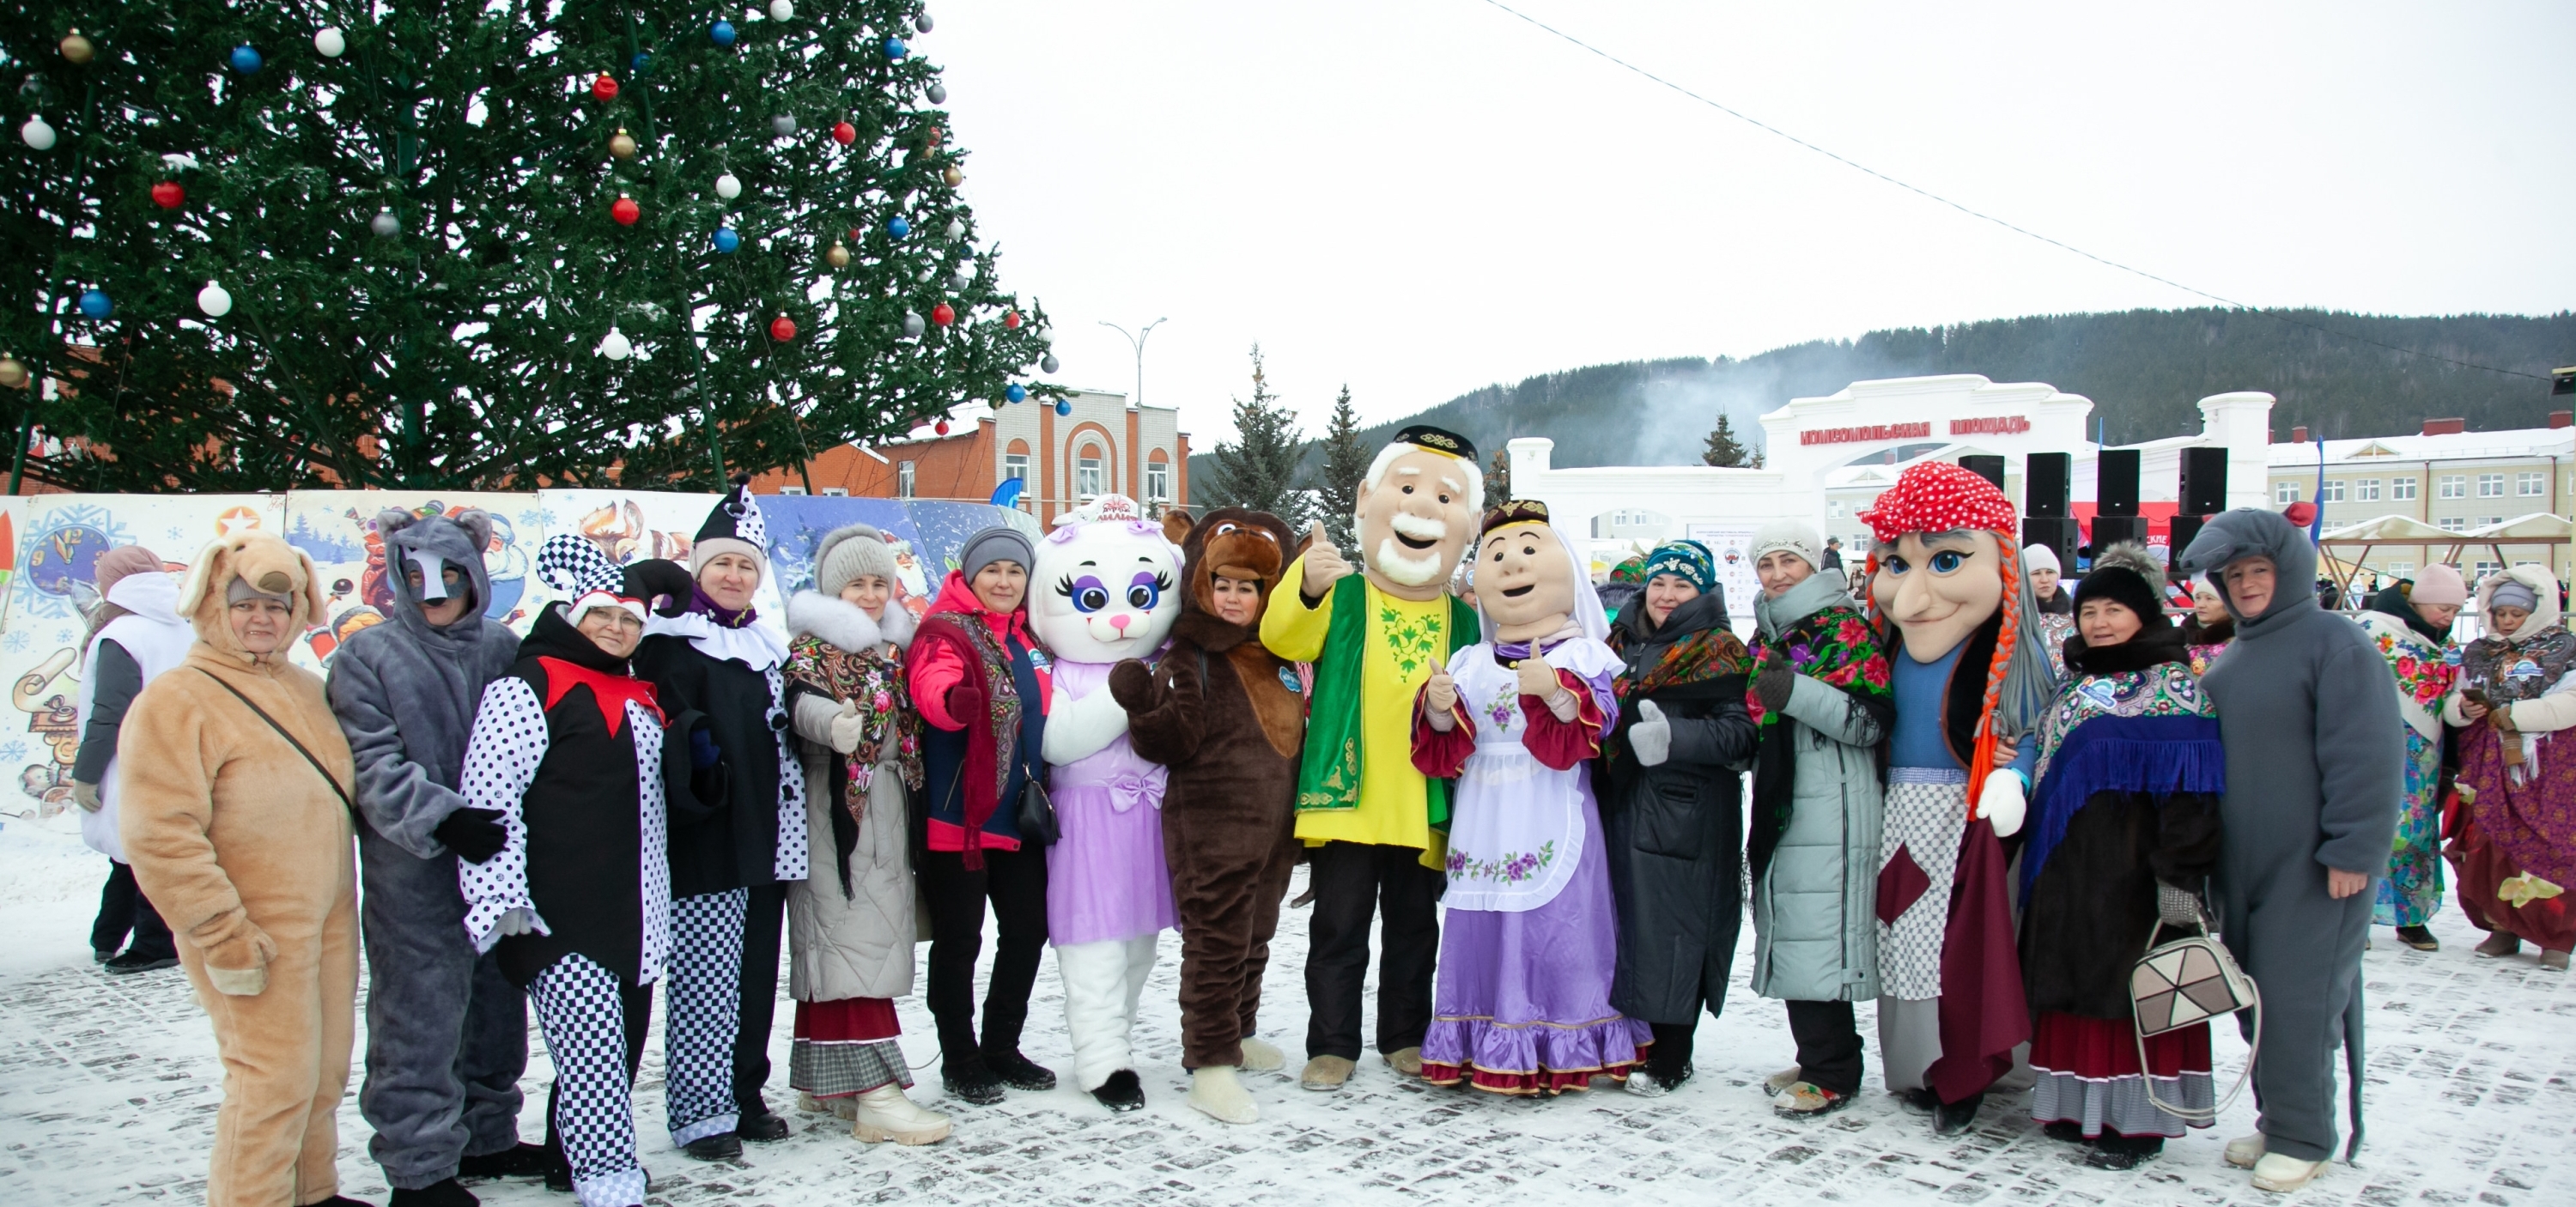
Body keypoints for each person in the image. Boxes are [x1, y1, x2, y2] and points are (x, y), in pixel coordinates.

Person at [121, 531, 369, 1207]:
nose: (262, 617)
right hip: (248, 924)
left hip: (326, 918)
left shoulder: (308, 689)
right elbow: (159, 833)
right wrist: (219, 928)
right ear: (209, 604)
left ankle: (313, 1192)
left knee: (322, 1073)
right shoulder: (179, 699)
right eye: (244, 602)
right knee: (271, 1080)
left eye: (278, 604)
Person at [2179, 506, 2403, 1192]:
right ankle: (2280, 1118)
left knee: (2298, 1001)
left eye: (2259, 570)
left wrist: (2353, 852)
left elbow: (2366, 756)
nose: (2246, 584)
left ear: (2291, 570)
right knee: (2257, 1001)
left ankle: (2306, 1135)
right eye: (2234, 574)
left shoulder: (2335, 644)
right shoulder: (2237, 655)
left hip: (2314, 867)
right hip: (2243, 868)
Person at [328, 510, 542, 1207]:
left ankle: (487, 1134)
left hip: (500, 865)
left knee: (496, 1004)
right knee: (418, 1015)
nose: (436, 592)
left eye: (451, 575)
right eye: (418, 578)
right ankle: (418, 1168)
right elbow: (370, 761)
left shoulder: (502, 648)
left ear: (475, 575)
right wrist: (441, 818)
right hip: (413, 875)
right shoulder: (368, 657)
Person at [1260, 425, 1483, 1091]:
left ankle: (1405, 1036)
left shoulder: (1464, 618)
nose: (1422, 508)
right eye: (1408, 488)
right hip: (1348, 800)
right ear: (1367, 498)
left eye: (1444, 497)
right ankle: (1332, 1044)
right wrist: (1306, 588)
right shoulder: (1346, 592)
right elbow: (1283, 638)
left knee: (1416, 931)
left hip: (1423, 802)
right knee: (1339, 929)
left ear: (1466, 524)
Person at [456, 537, 670, 1207]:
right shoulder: (529, 687)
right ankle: (609, 1183)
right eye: (603, 616)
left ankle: (569, 1159)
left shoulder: (638, 692)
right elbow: (492, 797)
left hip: (633, 909)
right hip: (558, 908)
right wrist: (501, 898)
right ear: (571, 616)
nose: (616, 629)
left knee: (623, 1048)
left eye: (630, 621)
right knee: (593, 1057)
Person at [1411, 500, 1648, 1093]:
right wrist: (1439, 709)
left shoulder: (1582, 655)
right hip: (1484, 817)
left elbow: (1598, 729)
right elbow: (1447, 749)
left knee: (1557, 928)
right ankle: (1478, 1032)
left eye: (1528, 552)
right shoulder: (1468, 661)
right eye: (1496, 555)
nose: (1511, 565)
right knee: (1481, 922)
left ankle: (1559, 1035)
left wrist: (1559, 696)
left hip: (1551, 806)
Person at [2018, 544, 2225, 1170]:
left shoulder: (2175, 685)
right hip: (2068, 870)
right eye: (2090, 611)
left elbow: (2195, 793)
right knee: (2073, 992)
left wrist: (2181, 876)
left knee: (2131, 999)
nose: (2099, 623)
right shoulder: (2075, 681)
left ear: (2145, 614)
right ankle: (2075, 1110)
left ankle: (2135, 1127)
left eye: (2115, 610)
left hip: (2135, 877)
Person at [1861, 463, 2053, 1136]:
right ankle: (1916, 1064)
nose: (1910, 600)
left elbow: (2026, 726)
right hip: (1894, 816)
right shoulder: (1883, 649)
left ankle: (1967, 1069)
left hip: (1966, 819)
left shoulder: (2011, 652)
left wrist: (2013, 776)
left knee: (1962, 947)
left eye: (1945, 561)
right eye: (1894, 565)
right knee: (1898, 937)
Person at [624, 478, 810, 1158]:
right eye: (722, 564)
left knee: (757, 971)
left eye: (745, 566)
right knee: (707, 974)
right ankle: (701, 1110)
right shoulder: (669, 643)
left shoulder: (766, 643)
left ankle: (745, 1088)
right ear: (699, 569)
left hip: (771, 834)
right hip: (704, 834)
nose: (733, 577)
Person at [1111, 506, 1308, 1123]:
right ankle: (1210, 1062)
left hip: (1273, 828)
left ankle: (1240, 1033)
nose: (1232, 598)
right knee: (1217, 942)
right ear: (1201, 582)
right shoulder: (1191, 653)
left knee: (1257, 935)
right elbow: (1173, 741)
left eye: (1246, 587)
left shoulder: (1281, 652)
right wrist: (1146, 709)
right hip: (1213, 825)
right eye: (1221, 584)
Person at [779, 525, 949, 1143]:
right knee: (852, 943)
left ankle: (827, 1085)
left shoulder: (891, 651)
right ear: (833, 589)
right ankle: (878, 1095)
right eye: (858, 583)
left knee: (849, 944)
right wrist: (834, 724)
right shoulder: (811, 651)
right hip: (837, 818)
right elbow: (799, 704)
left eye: (880, 582)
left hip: (887, 811)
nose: (871, 595)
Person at [1028, 496, 1185, 1113]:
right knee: (1093, 940)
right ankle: (1100, 1058)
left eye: (1141, 597)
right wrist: (1126, 693)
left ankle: (1115, 1037)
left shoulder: (1168, 665)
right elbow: (1056, 741)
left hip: (1151, 817)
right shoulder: (1060, 669)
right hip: (1086, 820)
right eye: (1094, 600)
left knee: (1140, 942)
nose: (1120, 619)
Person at [1742, 522, 1893, 1119]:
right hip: (1788, 795)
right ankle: (1818, 1057)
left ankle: (1835, 1071)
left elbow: (1869, 722)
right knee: (1794, 926)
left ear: (1814, 565)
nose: (1777, 573)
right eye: (1766, 563)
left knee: (1821, 931)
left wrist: (1794, 692)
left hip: (1833, 798)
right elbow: (1760, 713)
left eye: (1789, 561)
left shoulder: (1844, 628)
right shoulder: (1769, 632)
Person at [905, 525, 1058, 1103]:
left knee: (1026, 932)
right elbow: (930, 682)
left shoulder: (1029, 637)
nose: (1003, 581)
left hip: (1019, 817)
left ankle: (1001, 1046)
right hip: (958, 818)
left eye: (1014, 571)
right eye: (992, 570)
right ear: (970, 576)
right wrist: (951, 701)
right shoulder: (944, 632)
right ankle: (960, 1056)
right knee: (959, 940)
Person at [1598, 537, 1756, 1096]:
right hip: (1617, 802)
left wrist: (1674, 737)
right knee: (1623, 928)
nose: (1667, 594)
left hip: (1684, 813)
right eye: (1659, 583)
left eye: (1681, 584)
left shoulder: (1720, 649)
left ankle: (1672, 1054)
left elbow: (1743, 734)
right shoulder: (1619, 641)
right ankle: (1625, 1042)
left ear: (1703, 590)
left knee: (1676, 932)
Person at [2443, 567, 2576, 973]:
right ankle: (2501, 926)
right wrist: (2465, 709)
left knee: (2552, 845)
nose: (2506, 622)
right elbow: (2452, 702)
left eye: (2516, 614)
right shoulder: (2480, 651)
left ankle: (2556, 935)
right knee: (2490, 846)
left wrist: (2515, 714)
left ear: (2538, 609)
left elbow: (2570, 702)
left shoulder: (2563, 649)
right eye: (2499, 614)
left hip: (2544, 769)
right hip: (2487, 765)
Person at [72, 545, 191, 975]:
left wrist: (86, 776)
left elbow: (109, 711)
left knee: (142, 852)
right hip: (184, 757)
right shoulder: (188, 625)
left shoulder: (122, 634)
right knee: (138, 851)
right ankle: (107, 935)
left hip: (134, 760)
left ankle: (155, 943)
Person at [2355, 567, 2467, 951]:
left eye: (2456, 610)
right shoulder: (2375, 630)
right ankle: (2356, 916)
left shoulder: (2446, 647)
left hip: (2424, 758)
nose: (2448, 617)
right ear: (2418, 600)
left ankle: (2412, 917)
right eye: (2443, 607)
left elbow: (2451, 700)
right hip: (2372, 745)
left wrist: (2464, 710)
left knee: (2415, 835)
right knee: (2366, 827)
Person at [2181, 578, 2234, 676]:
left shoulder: (2239, 641)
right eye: (2197, 598)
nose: (2200, 605)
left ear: (2228, 604)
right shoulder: (2180, 638)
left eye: (2209, 598)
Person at [2025, 543, 2071, 616]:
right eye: (2036, 573)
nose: (2044, 580)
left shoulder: (2077, 611)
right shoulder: (2013, 614)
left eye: (2050, 572)